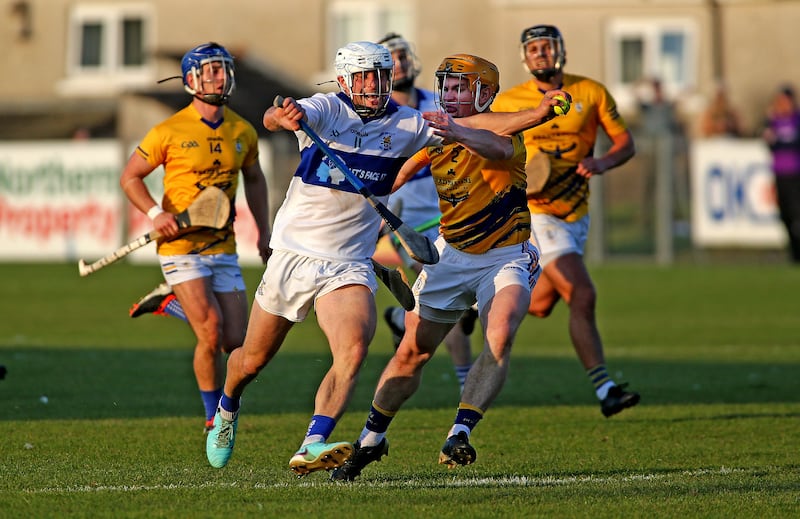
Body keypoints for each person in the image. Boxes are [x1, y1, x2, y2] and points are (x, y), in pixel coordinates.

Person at [204, 41, 448, 475]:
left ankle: (314, 441)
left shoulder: (408, 124)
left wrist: (536, 117)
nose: (373, 85)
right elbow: (274, 116)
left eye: (380, 75)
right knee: (251, 361)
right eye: (364, 77)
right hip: (294, 256)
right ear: (345, 81)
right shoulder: (326, 109)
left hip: (349, 262)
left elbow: (475, 126)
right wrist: (284, 116)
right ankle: (226, 408)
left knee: (353, 349)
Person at [331, 54, 568, 481]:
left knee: (500, 331)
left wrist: (460, 128)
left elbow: (493, 143)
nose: (451, 94)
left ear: (483, 94)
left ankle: (460, 431)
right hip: (450, 255)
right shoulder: (434, 136)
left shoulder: (505, 136)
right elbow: (397, 174)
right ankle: (370, 439)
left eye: (461, 87)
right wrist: (361, 184)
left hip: (506, 255)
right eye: (448, 86)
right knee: (411, 353)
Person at [119, 42, 271, 433]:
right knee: (209, 329)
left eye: (224, 69)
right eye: (213, 71)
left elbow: (254, 178)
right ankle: (213, 416)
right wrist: (156, 213)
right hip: (180, 245)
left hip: (223, 246)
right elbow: (130, 177)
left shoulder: (242, 129)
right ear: (191, 80)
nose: (222, 77)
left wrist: (263, 230)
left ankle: (170, 302)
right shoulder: (169, 130)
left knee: (235, 341)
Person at [491, 24, 640, 418]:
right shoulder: (509, 102)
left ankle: (456, 310)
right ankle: (606, 388)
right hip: (535, 215)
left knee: (538, 304)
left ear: (561, 52)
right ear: (525, 58)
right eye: (534, 48)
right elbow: (489, 149)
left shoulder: (590, 92)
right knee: (583, 293)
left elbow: (625, 143)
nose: (541, 53)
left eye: (547, 46)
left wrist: (603, 161)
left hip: (576, 213)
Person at [376, 32, 475, 392]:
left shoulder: (437, 102)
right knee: (446, 288)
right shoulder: (377, 116)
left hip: (449, 216)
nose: (400, 63)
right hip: (405, 223)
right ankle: (467, 382)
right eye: (392, 58)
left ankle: (401, 322)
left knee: (448, 298)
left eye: (403, 56)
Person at [763, 85, 800, 263]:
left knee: (796, 215)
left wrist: (781, 142)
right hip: (779, 173)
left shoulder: (797, 120)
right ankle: (794, 253)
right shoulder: (772, 121)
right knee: (784, 215)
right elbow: (769, 144)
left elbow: (791, 144)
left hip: (796, 174)